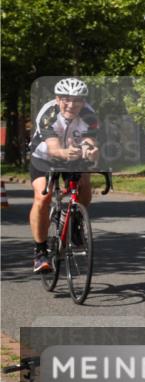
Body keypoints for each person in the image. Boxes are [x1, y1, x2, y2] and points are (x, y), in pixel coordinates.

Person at [28, 77, 101, 273]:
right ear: (58, 99)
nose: (71, 104)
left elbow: (89, 140)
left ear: (83, 101)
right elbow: (53, 148)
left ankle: (75, 222)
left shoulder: (89, 114)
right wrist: (64, 152)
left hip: (72, 155)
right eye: (66, 99)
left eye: (77, 100)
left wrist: (90, 150)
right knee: (43, 197)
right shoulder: (48, 114)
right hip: (44, 157)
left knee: (85, 184)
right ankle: (40, 252)